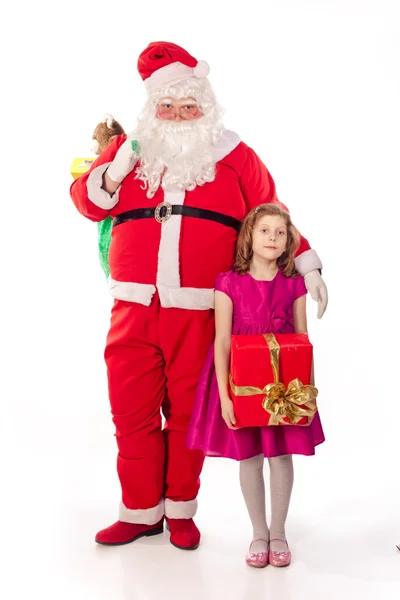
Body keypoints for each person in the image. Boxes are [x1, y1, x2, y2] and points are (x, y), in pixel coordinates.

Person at [69, 41, 328, 551]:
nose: (179, 116)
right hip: (133, 307)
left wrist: (307, 265)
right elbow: (87, 203)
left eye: (190, 107)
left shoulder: (235, 156)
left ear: (206, 109)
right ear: (153, 110)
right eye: (168, 107)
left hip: (202, 311)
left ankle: (181, 511)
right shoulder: (128, 155)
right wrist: (118, 164)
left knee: (187, 417)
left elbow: (272, 211)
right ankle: (141, 512)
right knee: (131, 413)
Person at [187, 204, 325, 567]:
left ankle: (278, 533)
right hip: (243, 382)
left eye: (280, 233)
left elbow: (301, 338)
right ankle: (258, 534)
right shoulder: (228, 282)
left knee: (280, 455)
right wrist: (225, 395)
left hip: (283, 385)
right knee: (249, 457)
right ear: (250, 235)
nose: (272, 238)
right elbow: (221, 342)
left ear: (288, 242)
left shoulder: (294, 284)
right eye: (265, 230)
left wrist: (307, 393)